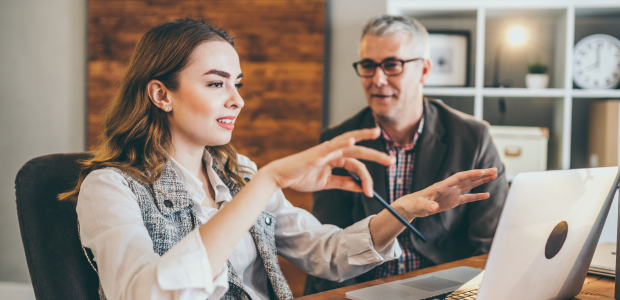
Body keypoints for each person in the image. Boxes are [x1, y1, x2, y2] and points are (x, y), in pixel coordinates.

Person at [59, 19, 498, 300]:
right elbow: (146, 295)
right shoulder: (110, 188)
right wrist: (267, 183)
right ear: (161, 94)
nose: (237, 100)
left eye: (238, 83)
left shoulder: (238, 172)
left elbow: (327, 253)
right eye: (216, 84)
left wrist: (403, 211)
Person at [304, 15, 509, 294]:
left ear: (424, 70)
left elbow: (490, 246)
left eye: (392, 65)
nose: (377, 79)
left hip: (447, 289)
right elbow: (327, 248)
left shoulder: (474, 138)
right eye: (368, 65)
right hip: (366, 289)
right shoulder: (337, 141)